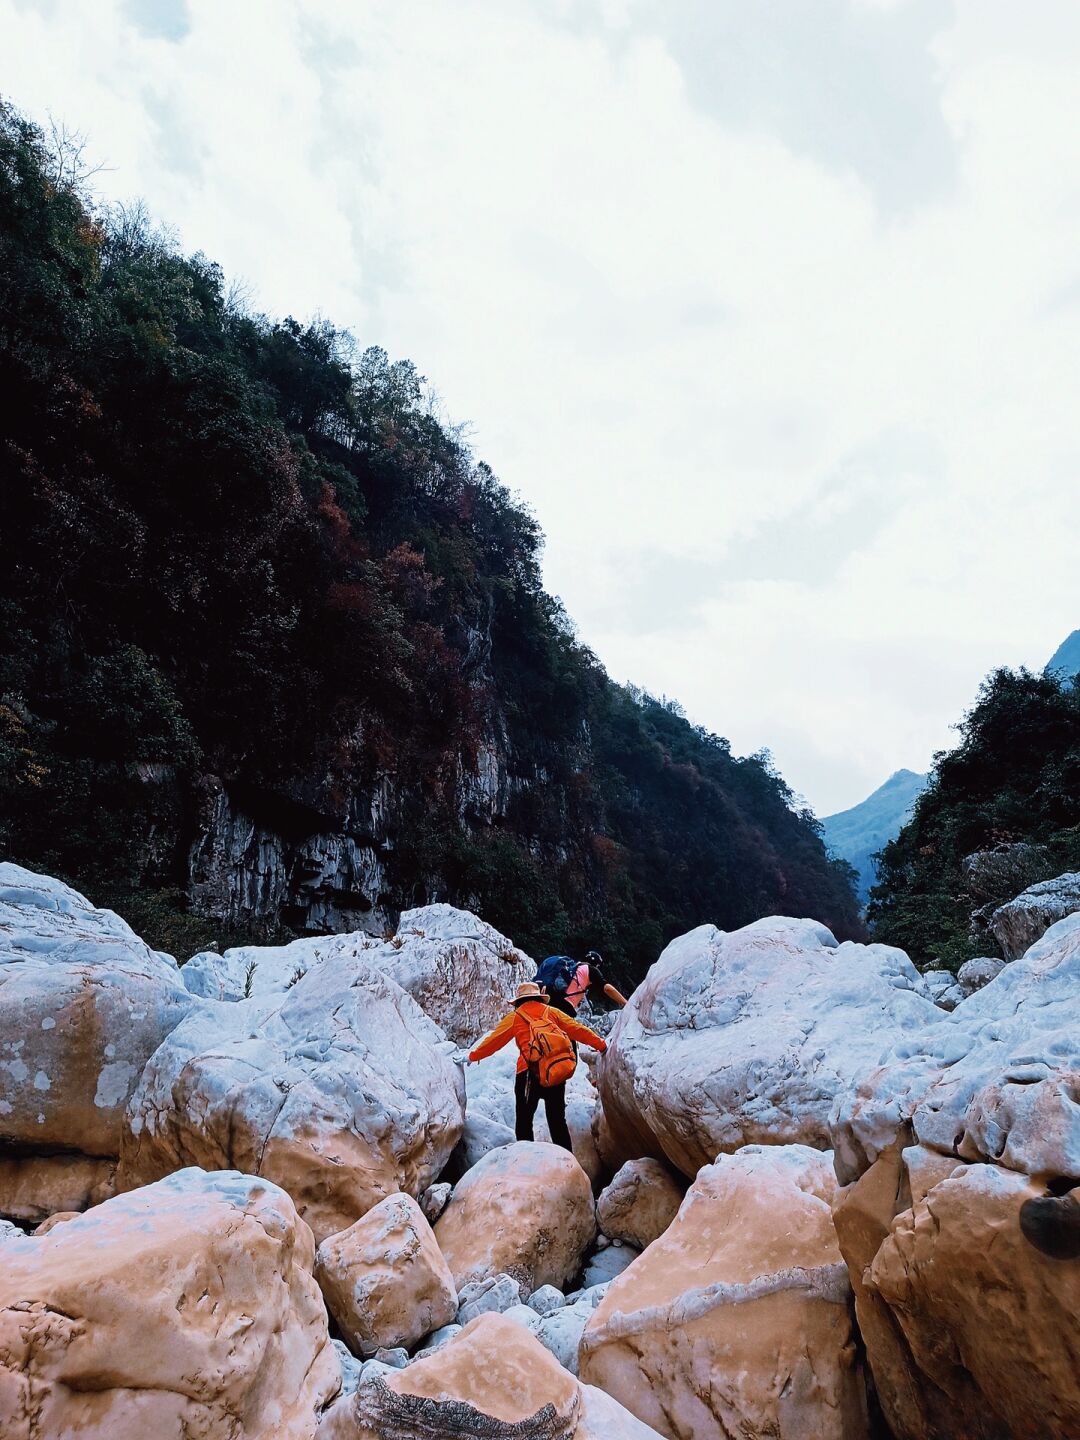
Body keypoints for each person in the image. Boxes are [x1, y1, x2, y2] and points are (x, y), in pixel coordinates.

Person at [467, 981, 607, 1152]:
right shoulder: (552, 1012)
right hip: (554, 1072)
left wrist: (472, 1056)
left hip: (528, 1075)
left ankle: (527, 1158)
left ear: (518, 1000)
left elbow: (494, 1042)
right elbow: (578, 1030)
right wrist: (601, 1045)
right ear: (539, 996)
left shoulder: (516, 1017)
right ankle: (567, 1160)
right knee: (557, 1121)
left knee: (525, 1120)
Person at [534, 949, 628, 1019]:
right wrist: (625, 1003)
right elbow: (607, 988)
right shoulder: (590, 969)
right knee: (567, 1037)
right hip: (564, 1005)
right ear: (596, 965)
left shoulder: (575, 967)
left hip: (550, 997)